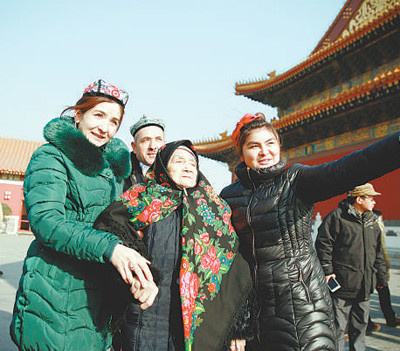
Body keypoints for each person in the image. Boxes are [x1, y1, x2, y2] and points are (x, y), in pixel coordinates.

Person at [220, 113, 400, 351]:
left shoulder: (295, 180)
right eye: (254, 146)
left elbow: (351, 167)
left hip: (301, 304)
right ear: (241, 153)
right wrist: (236, 323)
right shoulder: (229, 196)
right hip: (254, 313)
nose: (264, 152)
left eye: (270, 143)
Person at [10, 79, 157, 351]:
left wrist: (139, 272)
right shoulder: (51, 156)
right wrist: (110, 248)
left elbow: (116, 228)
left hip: (98, 294)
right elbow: (47, 222)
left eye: (114, 121)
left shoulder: (112, 170)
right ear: (79, 115)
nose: (105, 127)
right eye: (98, 115)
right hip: (56, 289)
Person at [94, 140, 255, 351]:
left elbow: (235, 268)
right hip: (146, 313)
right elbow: (109, 230)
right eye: (179, 161)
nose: (188, 167)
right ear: (162, 165)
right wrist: (136, 274)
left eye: (192, 163)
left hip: (201, 323)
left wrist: (238, 328)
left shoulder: (216, 210)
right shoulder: (141, 196)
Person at [315, 183, 387, 351]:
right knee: (338, 327)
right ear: (359, 199)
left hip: (365, 285)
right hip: (342, 284)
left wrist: (381, 277)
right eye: (371, 198)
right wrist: (327, 271)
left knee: (360, 327)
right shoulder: (337, 218)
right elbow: (323, 245)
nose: (374, 202)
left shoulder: (372, 222)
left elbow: (379, 253)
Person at [367, 209, 400, 333]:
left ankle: (386, 319)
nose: (382, 222)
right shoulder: (375, 228)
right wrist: (386, 261)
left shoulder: (373, 228)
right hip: (376, 266)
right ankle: (389, 319)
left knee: (376, 293)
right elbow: (380, 250)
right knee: (380, 292)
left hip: (376, 266)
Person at [124, 114, 165, 191]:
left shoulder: (179, 172)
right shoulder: (120, 177)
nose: (152, 146)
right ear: (134, 147)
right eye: (145, 140)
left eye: (158, 139)